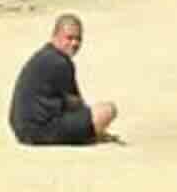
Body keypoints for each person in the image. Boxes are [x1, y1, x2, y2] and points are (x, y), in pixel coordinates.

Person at [8, 14, 117, 146]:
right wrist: (91, 126)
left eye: (78, 39)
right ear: (55, 36)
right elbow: (75, 104)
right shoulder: (60, 62)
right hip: (40, 132)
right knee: (107, 110)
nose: (74, 43)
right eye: (69, 38)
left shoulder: (44, 56)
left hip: (22, 131)